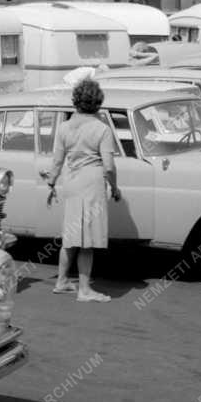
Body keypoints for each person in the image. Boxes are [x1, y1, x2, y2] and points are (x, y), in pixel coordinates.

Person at [42, 78, 120, 303]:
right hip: (92, 183)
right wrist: (114, 188)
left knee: (71, 235)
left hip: (72, 182)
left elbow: (56, 161)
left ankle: (62, 281)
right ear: (97, 103)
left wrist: (51, 183)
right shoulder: (102, 129)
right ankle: (84, 289)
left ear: (76, 101)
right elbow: (109, 166)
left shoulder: (64, 127)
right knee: (88, 239)